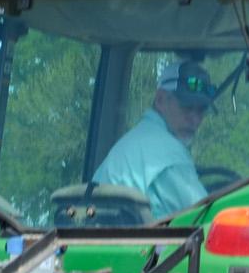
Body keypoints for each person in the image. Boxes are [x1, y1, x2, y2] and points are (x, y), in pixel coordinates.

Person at [92, 58, 217, 217]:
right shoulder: (168, 154)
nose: (195, 119)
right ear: (160, 99)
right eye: (187, 107)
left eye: (201, 110)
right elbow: (208, 217)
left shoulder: (135, 141)